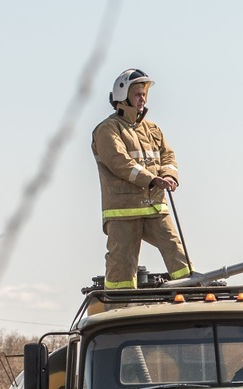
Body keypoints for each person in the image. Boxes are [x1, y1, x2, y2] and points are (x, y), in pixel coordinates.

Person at [92, 68, 193, 290]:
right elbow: (120, 162)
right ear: (123, 95)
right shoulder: (107, 130)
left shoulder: (153, 129)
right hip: (123, 211)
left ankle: (190, 291)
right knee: (122, 264)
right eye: (138, 93)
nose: (143, 98)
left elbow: (168, 156)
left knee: (176, 251)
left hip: (155, 205)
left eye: (144, 94)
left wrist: (168, 175)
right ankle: (119, 306)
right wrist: (152, 179)